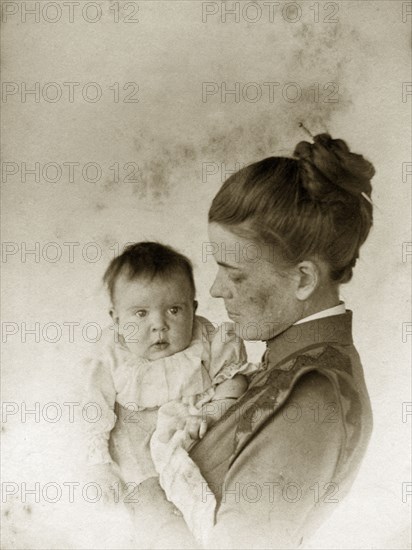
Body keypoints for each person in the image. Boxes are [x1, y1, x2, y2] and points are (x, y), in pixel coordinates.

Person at [148, 132, 375, 549]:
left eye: (235, 274)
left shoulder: (312, 395)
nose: (216, 290)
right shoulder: (284, 365)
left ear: (303, 278)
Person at [82, 242, 260, 518]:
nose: (159, 324)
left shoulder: (209, 341)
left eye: (174, 310)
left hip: (197, 440)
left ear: (193, 308)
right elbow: (93, 411)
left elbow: (236, 381)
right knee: (146, 515)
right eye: (140, 313)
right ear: (115, 319)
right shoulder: (111, 357)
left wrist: (214, 412)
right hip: (140, 463)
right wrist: (99, 465)